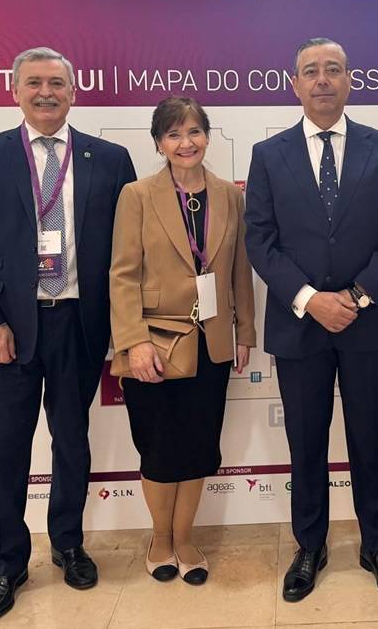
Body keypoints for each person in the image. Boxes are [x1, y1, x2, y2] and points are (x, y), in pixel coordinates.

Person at [0, 46, 137, 621]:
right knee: (4, 450)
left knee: (72, 441)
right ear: (15, 91)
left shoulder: (111, 159)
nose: (46, 93)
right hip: (10, 328)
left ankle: (68, 544)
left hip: (79, 323)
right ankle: (6, 565)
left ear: (73, 92)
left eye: (57, 83)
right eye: (34, 82)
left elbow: (129, 251)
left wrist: (125, 326)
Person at [244, 38, 378, 602]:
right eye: (311, 71)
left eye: (333, 70)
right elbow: (260, 241)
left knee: (369, 437)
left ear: (348, 81)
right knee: (306, 440)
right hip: (299, 324)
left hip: (368, 324)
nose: (322, 80)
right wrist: (310, 298)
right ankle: (310, 546)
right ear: (295, 84)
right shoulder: (268, 155)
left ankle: (377, 545)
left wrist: (356, 297)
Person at [108, 96, 256, 586]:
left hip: (211, 342)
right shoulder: (137, 195)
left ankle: (186, 538)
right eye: (173, 134)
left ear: (207, 137)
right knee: (158, 448)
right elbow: (122, 275)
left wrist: (244, 331)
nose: (185, 143)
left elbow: (239, 271)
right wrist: (133, 341)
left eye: (193, 132)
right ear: (159, 143)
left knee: (197, 447)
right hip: (153, 344)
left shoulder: (230, 195)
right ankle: (160, 539)